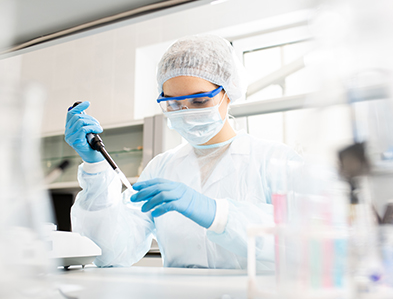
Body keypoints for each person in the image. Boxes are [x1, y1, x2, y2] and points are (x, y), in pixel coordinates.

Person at [65, 34, 301, 270]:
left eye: (199, 102)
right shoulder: (161, 168)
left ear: (228, 92)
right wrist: (95, 167)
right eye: (174, 105)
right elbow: (109, 254)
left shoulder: (275, 161)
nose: (186, 113)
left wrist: (218, 214)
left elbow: (304, 242)